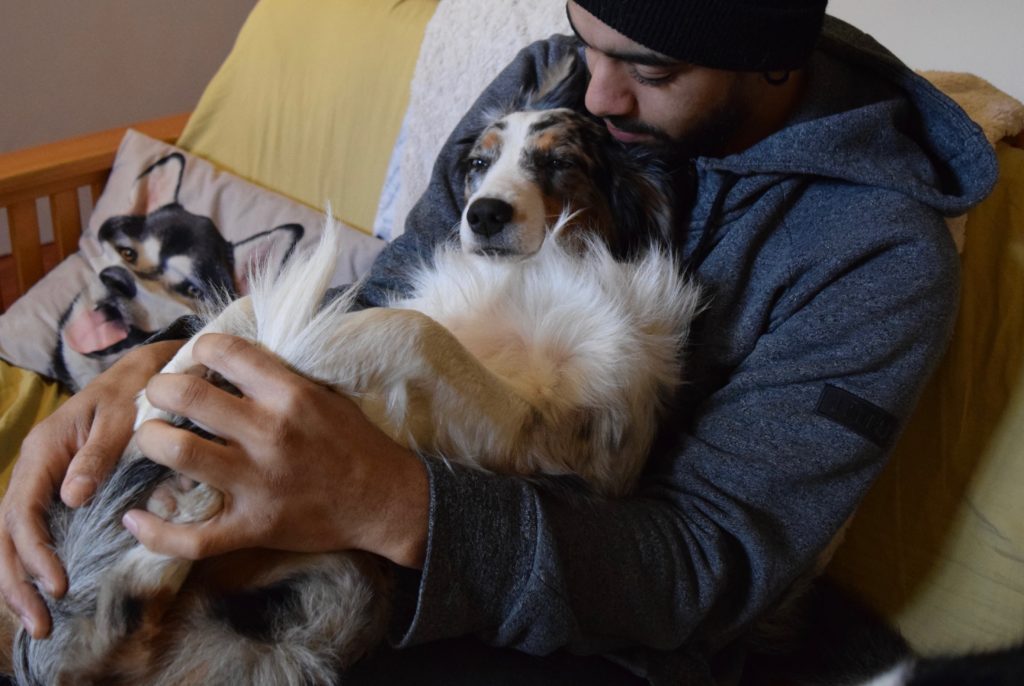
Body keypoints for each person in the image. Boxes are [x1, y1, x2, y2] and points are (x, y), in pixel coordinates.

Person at [0, 1, 997, 684]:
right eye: (583, 39)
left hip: (594, 633)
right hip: (362, 524)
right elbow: (383, 309)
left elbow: (705, 567)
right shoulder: (546, 86)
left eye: (648, 68)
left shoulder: (879, 256)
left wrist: (397, 505)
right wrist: (158, 367)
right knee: (62, 565)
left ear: (776, 60)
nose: (592, 93)